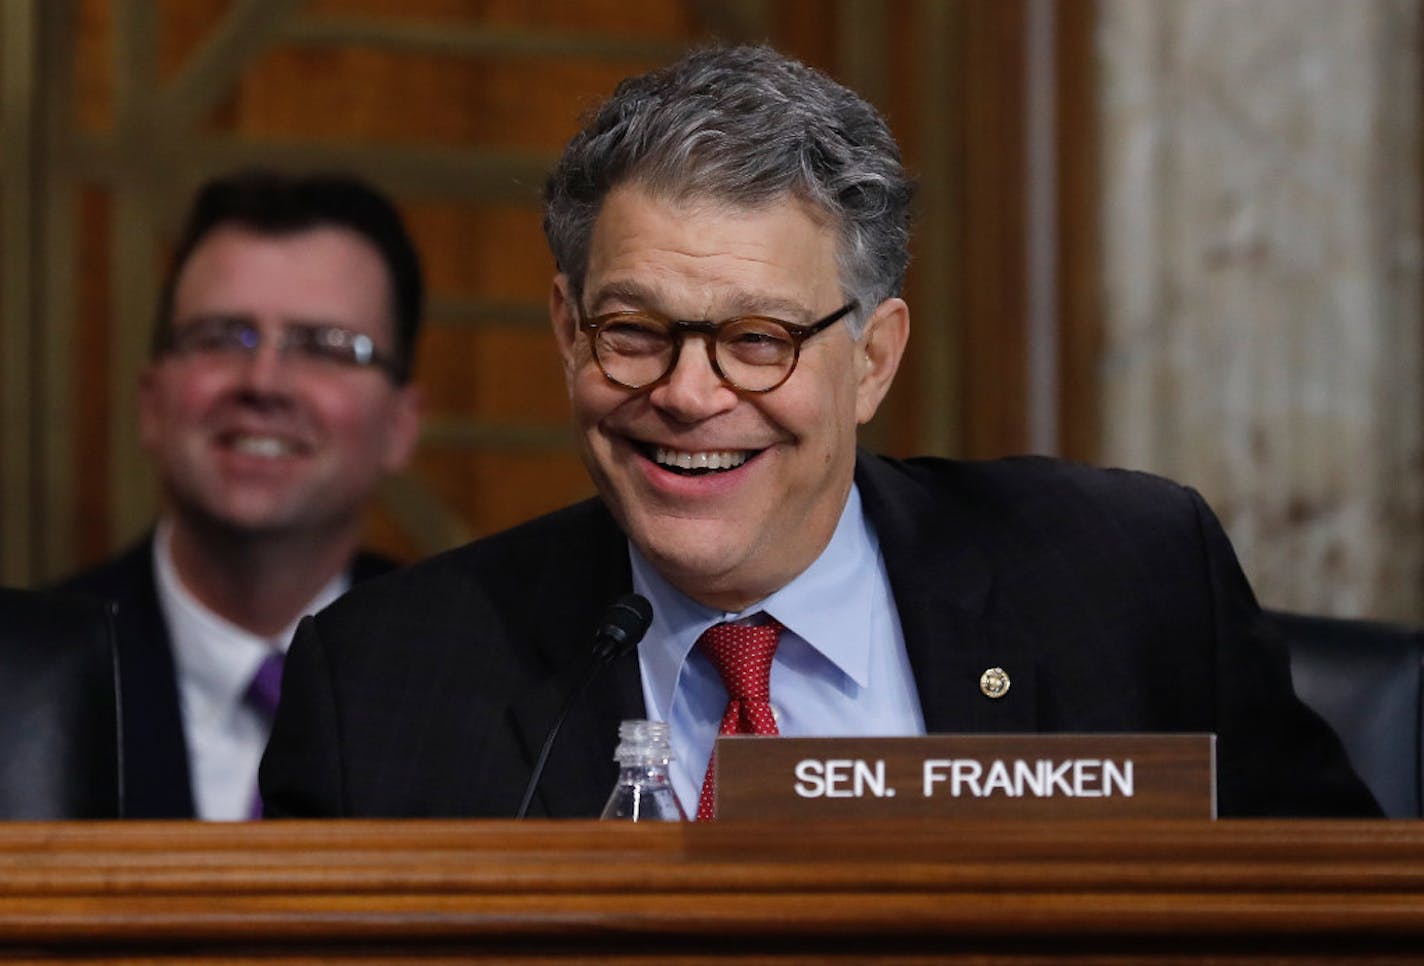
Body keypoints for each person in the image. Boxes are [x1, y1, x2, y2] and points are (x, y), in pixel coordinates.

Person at [260, 46, 1378, 819]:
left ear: (873, 359)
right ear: (566, 329)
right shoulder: (383, 686)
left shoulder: (1124, 587)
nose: (690, 396)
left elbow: (1344, 925)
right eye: (633, 330)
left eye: (757, 341)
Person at [59, 170, 424, 819]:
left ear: (400, 425)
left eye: (325, 346)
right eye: (223, 337)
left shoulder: (470, 683)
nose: (264, 382)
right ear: (150, 403)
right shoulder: (30, 681)